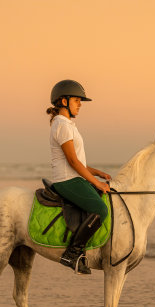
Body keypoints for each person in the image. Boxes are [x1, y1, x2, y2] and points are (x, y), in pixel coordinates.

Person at [46, 79, 111, 274]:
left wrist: (98, 172)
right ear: (63, 101)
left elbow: (77, 161)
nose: (80, 104)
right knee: (100, 209)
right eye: (76, 100)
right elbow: (73, 163)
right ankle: (72, 253)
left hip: (74, 176)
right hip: (67, 180)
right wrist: (97, 183)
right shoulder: (62, 126)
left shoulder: (68, 124)